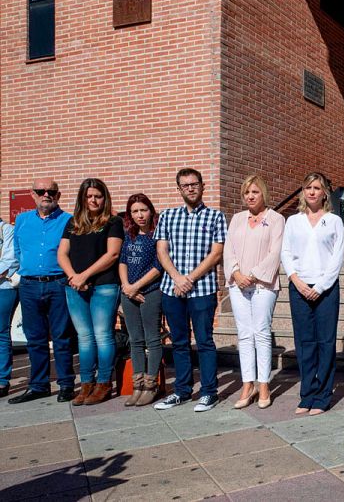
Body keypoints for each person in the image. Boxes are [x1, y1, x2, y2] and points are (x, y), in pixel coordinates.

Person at [153, 169, 226, 412]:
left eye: (194, 184)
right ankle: (182, 391)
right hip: (172, 289)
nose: (190, 188)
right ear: (179, 189)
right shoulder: (168, 216)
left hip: (202, 289)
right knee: (179, 342)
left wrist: (190, 278)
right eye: (185, 185)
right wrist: (177, 278)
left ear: (202, 186)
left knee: (204, 341)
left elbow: (216, 253)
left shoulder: (215, 216)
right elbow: (161, 250)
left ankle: (209, 392)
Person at [281, 172, 344, 415]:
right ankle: (307, 394)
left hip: (326, 290)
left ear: (324, 193)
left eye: (317, 188)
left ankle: (323, 396)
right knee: (304, 343)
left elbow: (337, 258)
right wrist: (296, 281)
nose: (312, 192)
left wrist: (320, 287)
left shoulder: (334, 221)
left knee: (325, 343)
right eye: (308, 187)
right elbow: (286, 253)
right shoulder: (293, 221)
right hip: (299, 287)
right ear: (303, 192)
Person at [9, 179, 76, 404]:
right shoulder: (22, 220)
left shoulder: (68, 220)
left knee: (61, 337)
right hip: (29, 285)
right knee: (35, 338)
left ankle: (66, 384)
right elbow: (18, 250)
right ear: (33, 194)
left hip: (58, 283)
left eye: (51, 191)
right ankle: (39, 386)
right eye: (41, 191)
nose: (46, 194)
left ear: (58, 195)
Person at [58, 178, 124, 405]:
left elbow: (112, 254)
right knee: (84, 338)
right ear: (82, 199)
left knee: (102, 336)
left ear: (104, 198)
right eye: (89, 196)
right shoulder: (73, 222)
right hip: (75, 287)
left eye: (97, 196)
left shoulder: (113, 222)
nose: (93, 200)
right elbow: (62, 254)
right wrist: (73, 277)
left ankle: (104, 383)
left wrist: (84, 276)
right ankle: (86, 384)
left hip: (104, 285)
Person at [224, 175, 285, 410]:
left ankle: (264, 384)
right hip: (238, 284)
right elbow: (229, 250)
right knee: (244, 334)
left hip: (263, 285)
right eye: (246, 193)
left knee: (261, 332)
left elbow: (276, 252)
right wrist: (237, 273)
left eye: (255, 192)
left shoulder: (276, 219)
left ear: (263, 194)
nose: (250, 196)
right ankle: (247, 384)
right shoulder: (237, 219)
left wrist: (254, 274)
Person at [118, 193, 163, 407]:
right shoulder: (130, 235)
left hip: (150, 292)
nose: (140, 215)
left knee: (152, 339)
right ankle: (137, 385)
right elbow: (122, 261)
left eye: (143, 210)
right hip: (129, 292)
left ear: (151, 211)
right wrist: (127, 286)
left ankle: (150, 385)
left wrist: (136, 286)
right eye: (135, 211)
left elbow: (159, 265)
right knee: (135, 339)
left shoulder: (157, 234)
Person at [0, 217, 20, 398]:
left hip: (4, 288)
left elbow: (10, 261)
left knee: (1, 331)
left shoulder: (6, 230)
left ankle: (2, 379)